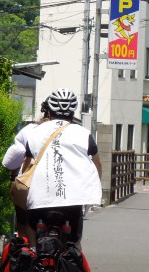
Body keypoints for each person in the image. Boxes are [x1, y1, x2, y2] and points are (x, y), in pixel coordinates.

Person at [22, 88, 102, 247]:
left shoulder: (35, 133)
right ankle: (75, 260)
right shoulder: (83, 133)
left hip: (40, 198)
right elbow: (97, 164)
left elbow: (26, 164)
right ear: (72, 113)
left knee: (28, 223)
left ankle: (33, 251)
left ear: (49, 111)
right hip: (73, 198)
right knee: (74, 241)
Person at [2, 104, 49, 240]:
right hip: (57, 185)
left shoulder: (29, 130)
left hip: (28, 180)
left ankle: (25, 245)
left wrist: (15, 178)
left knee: (23, 222)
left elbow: (17, 154)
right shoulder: (66, 131)